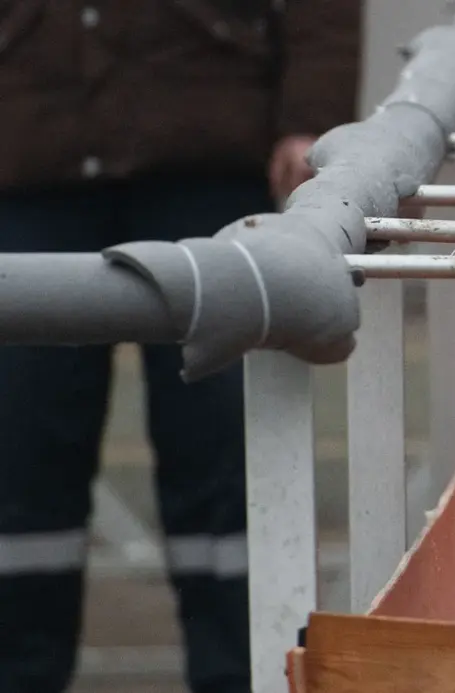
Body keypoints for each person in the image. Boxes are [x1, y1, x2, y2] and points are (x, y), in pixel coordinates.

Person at [0, 3, 361, 692]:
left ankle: (251, 673)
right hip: (26, 155)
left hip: (207, 151)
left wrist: (312, 117)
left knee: (228, 467)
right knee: (16, 465)